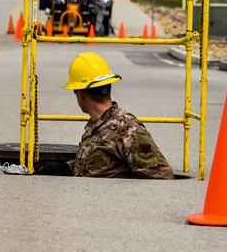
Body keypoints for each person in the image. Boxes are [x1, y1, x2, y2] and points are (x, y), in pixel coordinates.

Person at [34, 52, 173, 179]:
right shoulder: (99, 125)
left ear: (81, 93)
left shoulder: (128, 129)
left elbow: (162, 174)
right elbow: (98, 165)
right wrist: (65, 168)